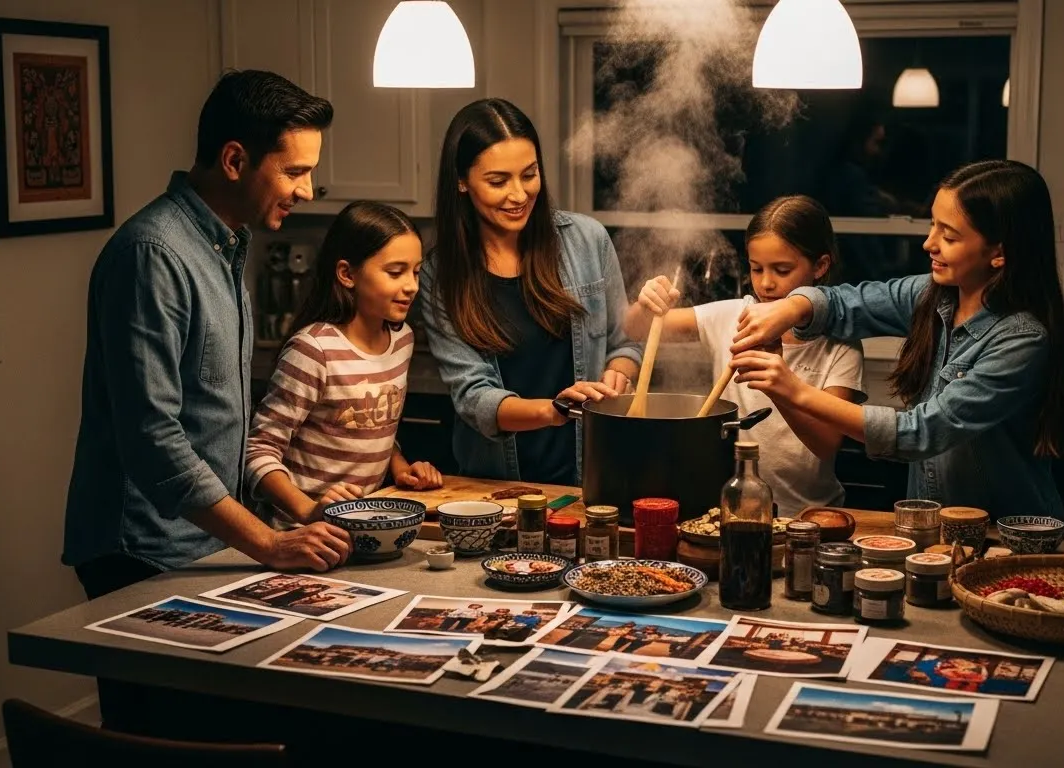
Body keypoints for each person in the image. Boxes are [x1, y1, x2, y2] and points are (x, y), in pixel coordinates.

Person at [60, 68, 349, 738]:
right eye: (295, 171)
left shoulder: (226, 243)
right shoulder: (153, 254)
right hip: (140, 554)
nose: (307, 191)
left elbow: (217, 416)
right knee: (161, 747)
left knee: (218, 734)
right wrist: (268, 544)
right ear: (234, 159)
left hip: (198, 545)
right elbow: (153, 440)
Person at [729, 159, 1064, 520]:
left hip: (1007, 537)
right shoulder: (931, 295)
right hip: (930, 527)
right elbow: (848, 302)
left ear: (999, 253)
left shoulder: (1021, 340)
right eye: (933, 226)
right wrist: (790, 308)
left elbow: (922, 432)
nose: (929, 243)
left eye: (949, 236)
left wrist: (793, 389)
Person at [419, 98, 641, 485]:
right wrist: (552, 411)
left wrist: (617, 375)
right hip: (496, 486)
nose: (520, 195)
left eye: (529, 174)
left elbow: (624, 343)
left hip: (589, 478)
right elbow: (473, 397)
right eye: (498, 181)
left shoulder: (587, 240)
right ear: (461, 180)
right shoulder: (441, 274)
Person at [624, 195, 864, 515]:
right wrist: (647, 302)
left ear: (820, 266)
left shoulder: (840, 344)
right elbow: (637, 328)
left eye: (782, 270)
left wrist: (778, 384)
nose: (766, 283)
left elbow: (825, 444)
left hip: (809, 516)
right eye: (756, 268)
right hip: (728, 509)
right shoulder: (733, 315)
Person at [245, 201, 443, 528]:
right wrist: (309, 510)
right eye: (395, 272)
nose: (411, 285)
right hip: (301, 533)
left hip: (362, 528)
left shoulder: (402, 340)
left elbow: (369, 426)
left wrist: (400, 467)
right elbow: (258, 450)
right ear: (347, 274)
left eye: (416, 271)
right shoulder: (314, 350)